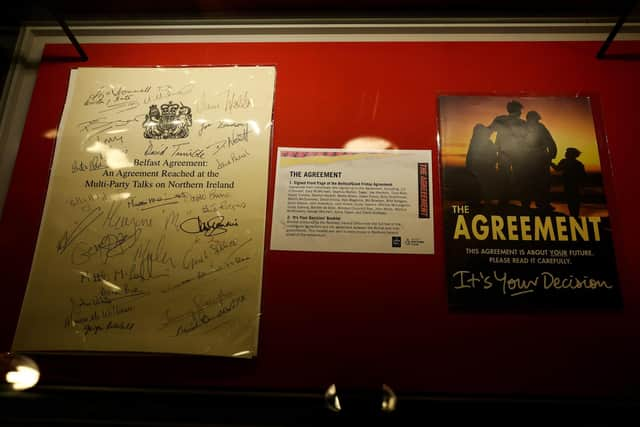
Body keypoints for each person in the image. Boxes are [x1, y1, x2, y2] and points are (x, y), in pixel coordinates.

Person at [489, 100, 526, 205]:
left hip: (503, 151)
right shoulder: (522, 123)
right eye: (520, 110)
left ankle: (504, 199)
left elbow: (489, 131)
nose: (521, 113)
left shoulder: (500, 119)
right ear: (518, 110)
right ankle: (523, 200)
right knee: (519, 175)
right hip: (517, 153)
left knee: (503, 175)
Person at [524, 111, 557, 210]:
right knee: (542, 182)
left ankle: (527, 203)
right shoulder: (540, 127)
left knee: (529, 182)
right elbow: (549, 141)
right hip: (539, 158)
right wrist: (552, 154)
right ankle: (542, 203)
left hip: (529, 159)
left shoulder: (523, 127)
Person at [466, 123, 498, 205]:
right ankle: (480, 201)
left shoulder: (478, 141)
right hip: (482, 168)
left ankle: (480, 201)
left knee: (482, 186)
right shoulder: (480, 141)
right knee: (482, 186)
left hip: (482, 168)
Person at [552, 147, 586, 217]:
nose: (565, 153)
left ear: (571, 154)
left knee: (572, 201)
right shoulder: (578, 163)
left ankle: (574, 216)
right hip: (571, 184)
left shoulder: (570, 162)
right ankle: (574, 216)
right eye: (566, 152)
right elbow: (583, 176)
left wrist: (549, 162)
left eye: (567, 152)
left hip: (572, 185)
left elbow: (557, 168)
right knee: (573, 202)